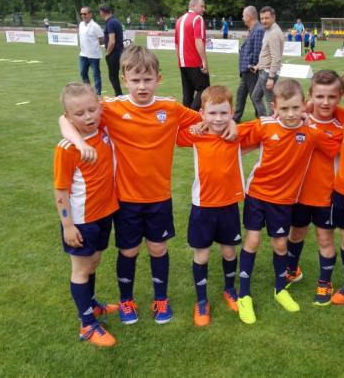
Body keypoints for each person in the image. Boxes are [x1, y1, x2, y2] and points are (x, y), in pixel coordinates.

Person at [58, 46, 236, 326]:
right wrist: (80, 143)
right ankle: (126, 300)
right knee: (129, 251)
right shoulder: (111, 108)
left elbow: (209, 118)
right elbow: (65, 118)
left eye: (147, 79)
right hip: (126, 199)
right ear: (124, 79)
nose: (142, 86)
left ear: (158, 79)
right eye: (135, 80)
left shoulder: (170, 108)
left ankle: (161, 298)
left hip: (159, 197)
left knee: (158, 249)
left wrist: (232, 125)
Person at [234, 79, 341, 325]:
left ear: (304, 106)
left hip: (284, 201)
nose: (291, 114)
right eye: (285, 109)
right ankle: (244, 294)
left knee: (281, 244)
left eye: (295, 108)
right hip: (257, 194)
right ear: (275, 107)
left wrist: (312, 116)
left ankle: (280, 289)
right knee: (253, 240)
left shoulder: (311, 133)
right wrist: (218, 126)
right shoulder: (264, 125)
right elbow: (234, 133)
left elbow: (335, 147)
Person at [176, 85, 250, 326]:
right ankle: (201, 300)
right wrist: (196, 125)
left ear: (232, 112)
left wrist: (234, 125)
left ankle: (230, 289)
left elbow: (267, 125)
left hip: (229, 204)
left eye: (224, 113)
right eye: (212, 113)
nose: (218, 118)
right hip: (203, 206)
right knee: (202, 253)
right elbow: (173, 133)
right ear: (202, 113)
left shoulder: (237, 134)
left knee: (229, 251)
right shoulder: (195, 134)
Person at [53, 83, 120, 347]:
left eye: (92, 110)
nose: (88, 117)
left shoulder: (103, 131)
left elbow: (69, 117)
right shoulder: (67, 149)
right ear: (69, 117)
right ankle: (87, 324)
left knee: (94, 262)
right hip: (82, 220)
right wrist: (68, 225)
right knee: (81, 269)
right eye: (79, 114)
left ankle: (91, 305)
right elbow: (61, 190)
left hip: (105, 213)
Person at [285, 70, 344, 306]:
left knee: (325, 239)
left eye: (331, 96)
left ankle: (324, 282)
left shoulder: (342, 125)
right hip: (298, 193)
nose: (325, 102)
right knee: (295, 233)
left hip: (326, 196)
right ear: (310, 96)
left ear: (339, 97)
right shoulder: (296, 118)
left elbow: (331, 149)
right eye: (319, 96)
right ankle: (291, 270)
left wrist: (311, 124)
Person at [175, 0, 210, 110]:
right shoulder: (197, 19)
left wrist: (179, 61)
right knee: (204, 89)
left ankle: (185, 117)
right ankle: (193, 114)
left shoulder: (179, 20)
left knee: (187, 93)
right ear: (193, 6)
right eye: (202, 6)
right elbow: (198, 40)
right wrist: (204, 61)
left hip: (183, 63)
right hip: (194, 61)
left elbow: (176, 44)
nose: (204, 9)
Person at [234, 6, 266, 122]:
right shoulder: (253, 29)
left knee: (255, 97)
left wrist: (253, 66)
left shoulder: (258, 30)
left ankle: (262, 118)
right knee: (241, 94)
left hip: (251, 70)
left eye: (243, 16)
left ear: (249, 16)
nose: (242, 18)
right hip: (246, 71)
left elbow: (258, 51)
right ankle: (236, 118)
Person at [251, 6, 284, 114]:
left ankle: (271, 122)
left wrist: (271, 77)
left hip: (268, 73)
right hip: (264, 71)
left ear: (273, 17)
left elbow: (276, 57)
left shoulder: (274, 33)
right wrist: (258, 66)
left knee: (270, 103)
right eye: (262, 18)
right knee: (255, 97)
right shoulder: (269, 30)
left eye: (266, 18)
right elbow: (267, 54)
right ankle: (265, 119)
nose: (264, 21)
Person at [78, 6, 104, 95]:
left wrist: (94, 46)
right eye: (81, 14)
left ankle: (98, 94)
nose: (83, 16)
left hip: (94, 55)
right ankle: (88, 91)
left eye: (85, 14)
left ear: (90, 14)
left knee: (96, 75)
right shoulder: (81, 24)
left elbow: (102, 39)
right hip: (83, 54)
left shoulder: (95, 26)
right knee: (82, 72)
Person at [99, 5, 124, 96]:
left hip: (114, 53)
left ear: (102, 12)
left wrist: (108, 53)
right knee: (116, 75)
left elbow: (112, 41)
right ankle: (119, 94)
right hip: (120, 51)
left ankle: (119, 95)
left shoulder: (110, 22)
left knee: (113, 76)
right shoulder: (115, 21)